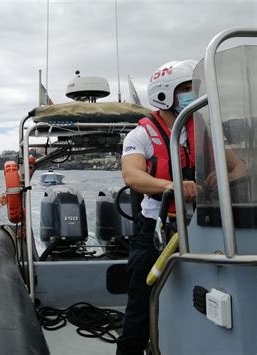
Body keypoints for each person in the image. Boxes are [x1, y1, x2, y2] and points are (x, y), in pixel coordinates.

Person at [116, 59, 198, 355]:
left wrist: (220, 178)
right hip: (156, 232)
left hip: (198, 229)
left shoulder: (200, 131)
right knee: (139, 309)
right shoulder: (140, 135)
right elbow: (131, 174)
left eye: (194, 87)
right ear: (165, 93)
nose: (193, 93)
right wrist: (170, 185)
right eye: (186, 88)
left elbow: (237, 166)